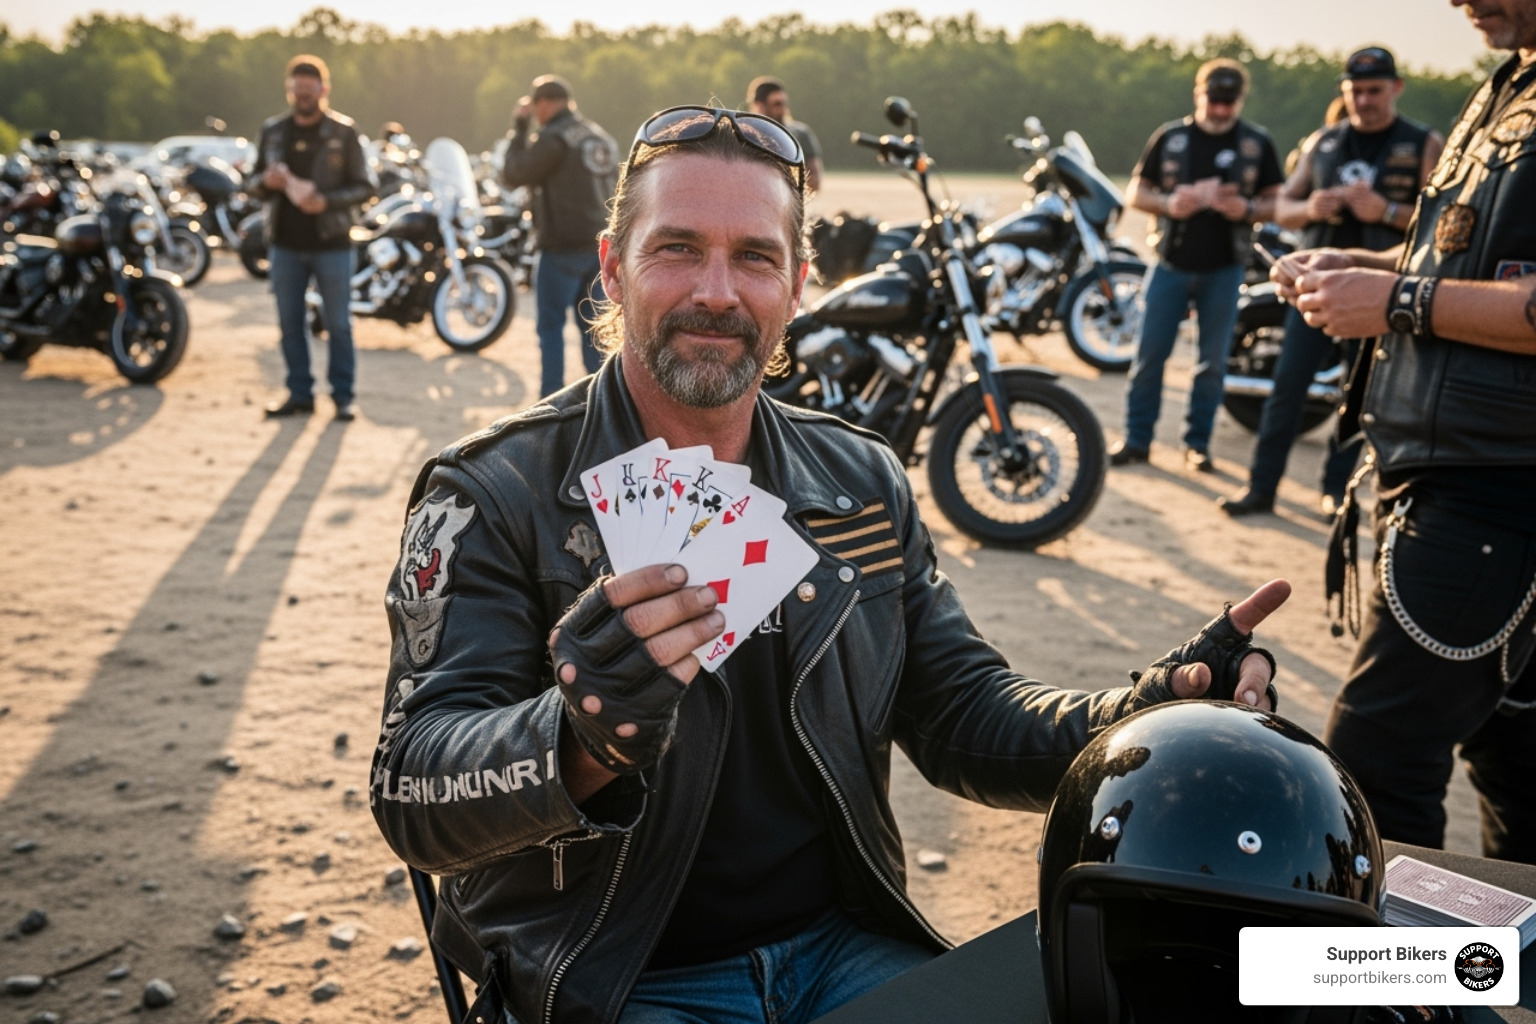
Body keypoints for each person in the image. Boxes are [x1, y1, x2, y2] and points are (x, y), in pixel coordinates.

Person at [371, 103, 1290, 1024]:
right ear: (613, 269)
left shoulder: (859, 475)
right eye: (678, 249)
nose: (718, 292)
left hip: (845, 947)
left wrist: (1145, 711)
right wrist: (578, 739)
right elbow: (411, 787)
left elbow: (961, 711)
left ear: (801, 283)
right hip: (614, 975)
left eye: (756, 257)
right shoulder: (490, 492)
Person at [1275, 0, 1536, 865]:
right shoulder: (1507, 81)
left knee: (1377, 760)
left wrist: (1396, 302)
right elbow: (1472, 261)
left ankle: (1408, 996)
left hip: (1497, 490)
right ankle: (1489, 985)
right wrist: (1363, 268)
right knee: (1516, 761)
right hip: (1461, 471)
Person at [1220, 48, 1443, 518]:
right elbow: (1282, 208)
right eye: (1355, 91)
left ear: (1396, 88)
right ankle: (1261, 489)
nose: (1364, 101)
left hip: (1376, 291)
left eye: (1374, 91)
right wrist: (1311, 208)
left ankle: (1335, 493)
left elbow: (1443, 225)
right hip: (1315, 289)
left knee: (1358, 398)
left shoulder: (1423, 143)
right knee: (1287, 389)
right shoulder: (1323, 141)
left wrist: (1384, 211)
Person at [1112, 59, 1285, 472]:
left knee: (1212, 363)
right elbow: (1137, 191)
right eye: (1214, 99)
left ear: (1239, 100)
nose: (1220, 109)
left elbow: (1278, 201)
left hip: (1225, 268)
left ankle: (1197, 444)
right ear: (1198, 93)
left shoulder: (1256, 143)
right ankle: (1137, 440)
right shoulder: (1171, 138)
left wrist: (1245, 208)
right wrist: (1169, 204)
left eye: (1229, 101)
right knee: (1150, 357)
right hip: (1170, 263)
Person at [245, 54, 375, 421]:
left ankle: (343, 397)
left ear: (324, 90)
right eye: (296, 88)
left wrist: (326, 202)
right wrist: (264, 184)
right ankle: (299, 393)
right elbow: (251, 184)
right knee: (289, 324)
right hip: (284, 244)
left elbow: (366, 186)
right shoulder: (273, 131)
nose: (303, 95)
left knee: (338, 324)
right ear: (289, 90)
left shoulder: (344, 132)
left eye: (310, 88)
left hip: (333, 244)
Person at [501, 75, 619, 398]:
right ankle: (605, 401)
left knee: (551, 328)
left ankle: (550, 402)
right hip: (600, 249)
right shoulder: (600, 136)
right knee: (594, 329)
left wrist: (519, 127)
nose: (536, 113)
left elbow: (513, 173)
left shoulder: (554, 138)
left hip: (562, 250)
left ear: (546, 104)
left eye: (535, 106)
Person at [746, 76, 824, 192]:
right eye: (777, 104)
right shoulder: (744, 134)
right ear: (759, 105)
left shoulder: (801, 134)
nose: (783, 108)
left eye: (784, 102)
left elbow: (814, 181)